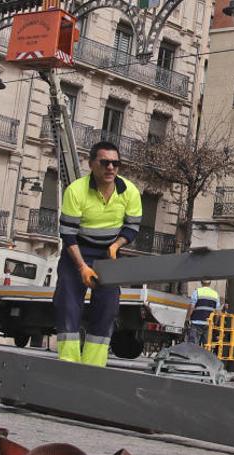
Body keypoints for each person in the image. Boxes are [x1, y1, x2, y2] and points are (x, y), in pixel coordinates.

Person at [53, 141, 142, 367]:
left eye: (116, 163)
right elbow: (69, 235)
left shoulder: (129, 191)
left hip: (108, 255)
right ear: (92, 164)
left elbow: (132, 227)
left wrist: (115, 246)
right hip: (77, 252)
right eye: (105, 162)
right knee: (68, 303)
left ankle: (94, 364)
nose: (111, 167)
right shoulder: (76, 191)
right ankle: (68, 361)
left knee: (108, 306)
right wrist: (82, 266)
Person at [185, 280, 221, 346]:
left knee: (193, 346)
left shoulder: (197, 292)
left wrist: (187, 319)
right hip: (208, 324)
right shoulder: (215, 294)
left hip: (196, 323)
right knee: (207, 347)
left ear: (201, 282)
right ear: (210, 283)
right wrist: (215, 323)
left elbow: (191, 307)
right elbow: (218, 313)